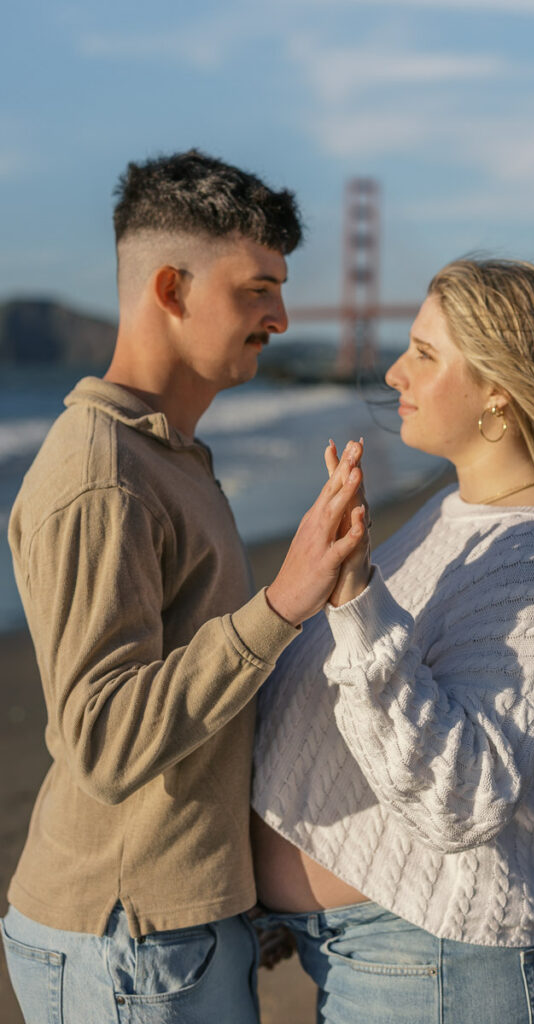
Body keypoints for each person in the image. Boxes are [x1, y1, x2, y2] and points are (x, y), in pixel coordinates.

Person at [250, 258, 534, 1023]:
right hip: (394, 957)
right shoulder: (461, 513)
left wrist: (353, 595)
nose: (391, 370)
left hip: (444, 970)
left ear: (498, 394)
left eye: (423, 353)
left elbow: (460, 796)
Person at [1, 149, 367, 1023]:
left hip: (177, 925)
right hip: (128, 941)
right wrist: (283, 603)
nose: (280, 316)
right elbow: (103, 737)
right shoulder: (105, 476)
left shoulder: (166, 456)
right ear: (170, 288)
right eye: (256, 290)